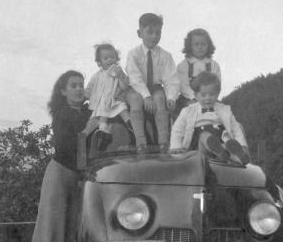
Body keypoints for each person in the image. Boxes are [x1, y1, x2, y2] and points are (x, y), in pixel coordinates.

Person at [31, 70, 90, 242]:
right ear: (63, 90)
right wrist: (90, 127)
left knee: (65, 232)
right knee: (50, 229)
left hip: (77, 177)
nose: (78, 88)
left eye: (81, 84)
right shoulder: (62, 114)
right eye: (73, 85)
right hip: (59, 174)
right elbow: (68, 145)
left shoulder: (87, 112)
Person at [125, 13, 179, 153]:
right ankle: (141, 142)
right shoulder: (133, 54)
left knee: (160, 98)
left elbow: (171, 79)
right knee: (136, 101)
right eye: (150, 32)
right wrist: (146, 96)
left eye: (158, 33)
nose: (154, 36)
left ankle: (163, 142)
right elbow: (134, 77)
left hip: (155, 88)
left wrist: (171, 97)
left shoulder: (166, 56)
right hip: (136, 89)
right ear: (139, 33)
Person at [169, 71, 250, 164]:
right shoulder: (188, 111)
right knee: (205, 136)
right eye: (203, 95)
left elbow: (235, 128)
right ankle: (217, 150)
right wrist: (175, 147)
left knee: (227, 143)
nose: (208, 98)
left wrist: (242, 145)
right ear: (196, 95)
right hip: (198, 146)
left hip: (220, 140)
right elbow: (177, 130)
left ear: (218, 93)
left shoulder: (224, 110)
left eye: (212, 94)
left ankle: (235, 155)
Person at [82, 43, 131, 150]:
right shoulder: (97, 76)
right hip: (101, 102)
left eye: (112, 57)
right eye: (106, 58)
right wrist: (84, 96)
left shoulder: (117, 70)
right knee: (95, 118)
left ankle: (129, 123)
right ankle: (87, 134)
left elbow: (124, 85)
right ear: (99, 62)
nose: (110, 60)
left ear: (116, 58)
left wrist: (121, 76)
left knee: (122, 108)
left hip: (114, 100)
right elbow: (90, 89)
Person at [175, 28, 222, 115]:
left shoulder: (213, 65)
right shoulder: (183, 65)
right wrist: (196, 98)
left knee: (222, 113)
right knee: (186, 113)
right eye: (196, 44)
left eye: (203, 44)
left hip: (209, 98)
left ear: (208, 45)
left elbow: (217, 85)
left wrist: (207, 99)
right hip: (189, 98)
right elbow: (184, 86)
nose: (200, 47)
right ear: (190, 46)